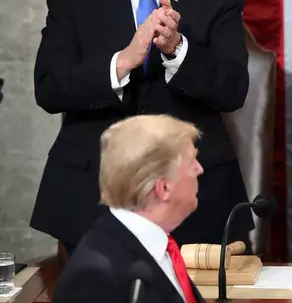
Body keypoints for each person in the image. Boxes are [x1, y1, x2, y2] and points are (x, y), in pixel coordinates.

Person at [31, 0, 253, 256]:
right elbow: (49, 88)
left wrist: (177, 50)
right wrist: (124, 61)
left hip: (195, 198)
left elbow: (233, 90)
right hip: (90, 195)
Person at [52, 115, 206, 303]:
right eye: (192, 163)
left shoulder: (159, 248)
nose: (200, 169)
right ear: (163, 188)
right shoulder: (96, 274)